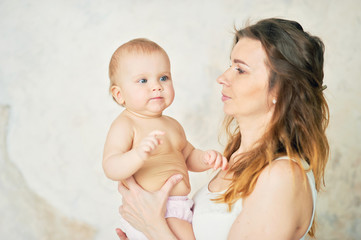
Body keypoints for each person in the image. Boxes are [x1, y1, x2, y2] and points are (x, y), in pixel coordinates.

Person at [116, 18, 330, 240]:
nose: (222, 78)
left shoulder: (283, 176)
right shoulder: (235, 159)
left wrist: (154, 227)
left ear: (280, 90)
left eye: (240, 70)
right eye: (230, 65)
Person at [103, 38, 228, 240]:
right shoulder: (126, 124)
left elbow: (188, 156)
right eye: (143, 81)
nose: (157, 86)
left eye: (163, 78)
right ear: (119, 95)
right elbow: (111, 166)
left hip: (180, 206)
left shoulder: (172, 125)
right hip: (153, 210)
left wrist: (206, 158)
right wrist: (137, 154)